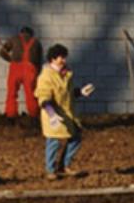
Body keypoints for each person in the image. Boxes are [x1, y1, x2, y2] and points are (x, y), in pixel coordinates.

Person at [34, 44, 94, 179]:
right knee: (53, 140)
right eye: (61, 58)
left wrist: (80, 92)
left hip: (68, 113)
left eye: (64, 58)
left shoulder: (66, 74)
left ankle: (63, 165)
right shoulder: (45, 77)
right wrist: (51, 114)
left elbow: (67, 93)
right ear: (53, 59)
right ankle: (50, 170)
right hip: (53, 114)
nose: (64, 61)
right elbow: (43, 96)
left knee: (76, 136)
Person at [0, 26, 43, 121]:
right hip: (31, 69)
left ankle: (11, 115)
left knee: (12, 93)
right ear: (31, 34)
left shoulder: (13, 39)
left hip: (15, 68)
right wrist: (37, 73)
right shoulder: (37, 42)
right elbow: (39, 61)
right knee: (31, 93)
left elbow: (2, 52)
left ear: (21, 33)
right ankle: (34, 115)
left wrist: (11, 60)